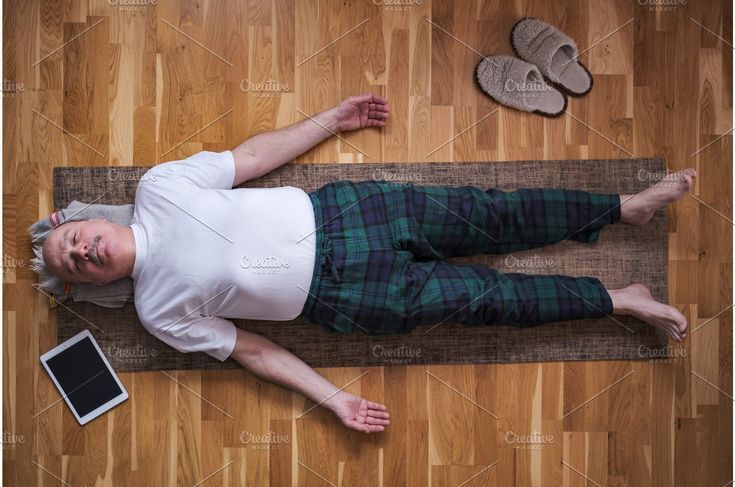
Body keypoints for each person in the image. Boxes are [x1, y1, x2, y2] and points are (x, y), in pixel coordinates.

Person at [33, 94, 694, 434]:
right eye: (78, 265)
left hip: (350, 214)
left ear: (95, 219)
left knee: (494, 215)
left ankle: (623, 206)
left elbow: (252, 158)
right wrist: (333, 397)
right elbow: (255, 350)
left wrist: (330, 120)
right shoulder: (155, 311)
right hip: (349, 297)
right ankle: (620, 298)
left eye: (76, 239)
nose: (84, 252)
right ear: (96, 281)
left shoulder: (158, 188)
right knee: (489, 298)